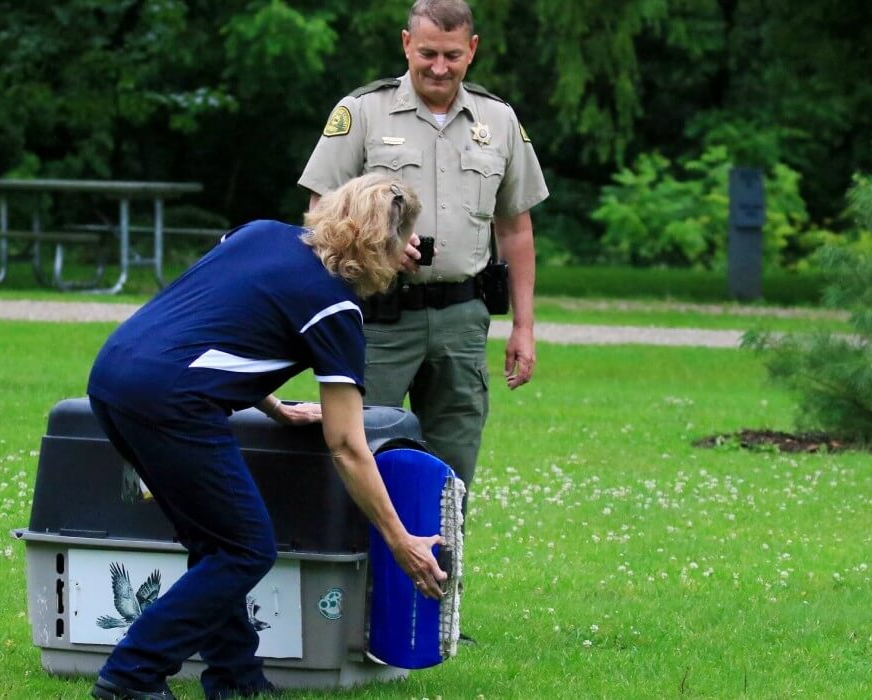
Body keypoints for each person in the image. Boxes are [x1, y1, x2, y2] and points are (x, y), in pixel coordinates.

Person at [84, 174, 446, 700]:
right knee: (246, 549)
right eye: (402, 245)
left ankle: (236, 679)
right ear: (382, 247)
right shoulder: (336, 307)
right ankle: (132, 675)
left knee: (216, 543)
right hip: (171, 401)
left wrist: (273, 405)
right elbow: (347, 445)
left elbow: (219, 319)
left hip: (112, 378)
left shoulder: (258, 234)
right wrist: (400, 540)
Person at [298, 0, 549, 509]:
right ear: (407, 44)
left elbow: (516, 227)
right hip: (378, 320)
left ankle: (438, 586)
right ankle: (353, 587)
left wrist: (524, 325)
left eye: (452, 55)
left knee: (452, 480)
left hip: (462, 320)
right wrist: (381, 246)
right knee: (358, 459)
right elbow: (319, 212)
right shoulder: (364, 112)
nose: (439, 66)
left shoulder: (498, 121)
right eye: (428, 52)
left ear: (472, 51)